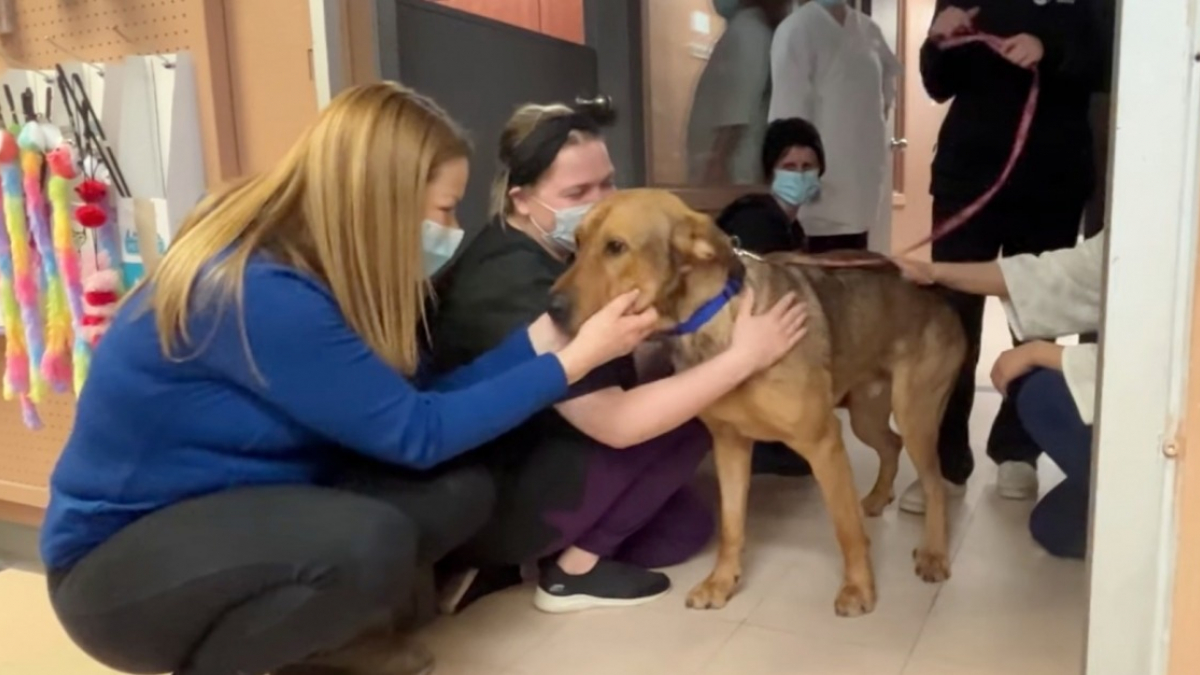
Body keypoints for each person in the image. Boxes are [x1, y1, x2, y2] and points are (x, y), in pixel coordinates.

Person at [39, 83, 666, 675]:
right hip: (118, 570)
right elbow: (418, 433)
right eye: (444, 208)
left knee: (456, 491)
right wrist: (572, 363)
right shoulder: (260, 290)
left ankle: (324, 644)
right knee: (371, 538)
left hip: (236, 507)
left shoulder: (324, 276)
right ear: (383, 200)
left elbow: (412, 410)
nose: (450, 230)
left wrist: (542, 342)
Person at [430, 103, 808, 615]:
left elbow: (623, 361)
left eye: (606, 184)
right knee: (705, 403)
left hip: (545, 447)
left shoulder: (562, 251)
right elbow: (616, 422)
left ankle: (519, 562)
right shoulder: (515, 280)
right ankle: (567, 572)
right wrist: (742, 358)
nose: (599, 202)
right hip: (492, 488)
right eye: (576, 193)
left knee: (684, 531)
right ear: (522, 200)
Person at [910, 0, 1099, 513]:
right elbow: (937, 83)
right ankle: (944, 460)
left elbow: (1105, 60)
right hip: (965, 180)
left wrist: (1050, 49)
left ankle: (1018, 449)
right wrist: (937, 42)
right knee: (949, 319)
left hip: (1051, 182)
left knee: (1036, 319)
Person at [895, 230, 1103, 559]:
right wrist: (933, 271)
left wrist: (1043, 352)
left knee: (1040, 392)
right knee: (1055, 528)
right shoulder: (1136, 227)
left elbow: (1157, 364)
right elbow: (1053, 274)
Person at [714, 116, 824, 477]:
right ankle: (760, 435)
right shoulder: (756, 220)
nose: (800, 174)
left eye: (808, 167)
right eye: (789, 166)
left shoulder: (789, 224)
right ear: (770, 171)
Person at [768, 0, 899, 253]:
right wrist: (795, 183)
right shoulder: (797, 30)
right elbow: (787, 120)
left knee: (858, 276)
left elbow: (882, 102)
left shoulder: (869, 31)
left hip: (862, 193)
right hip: (816, 204)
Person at [686, 0, 793, 185]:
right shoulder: (749, 29)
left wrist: (718, 160)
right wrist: (717, 161)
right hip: (729, 164)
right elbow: (736, 106)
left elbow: (738, 106)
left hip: (733, 166)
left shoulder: (749, 30)